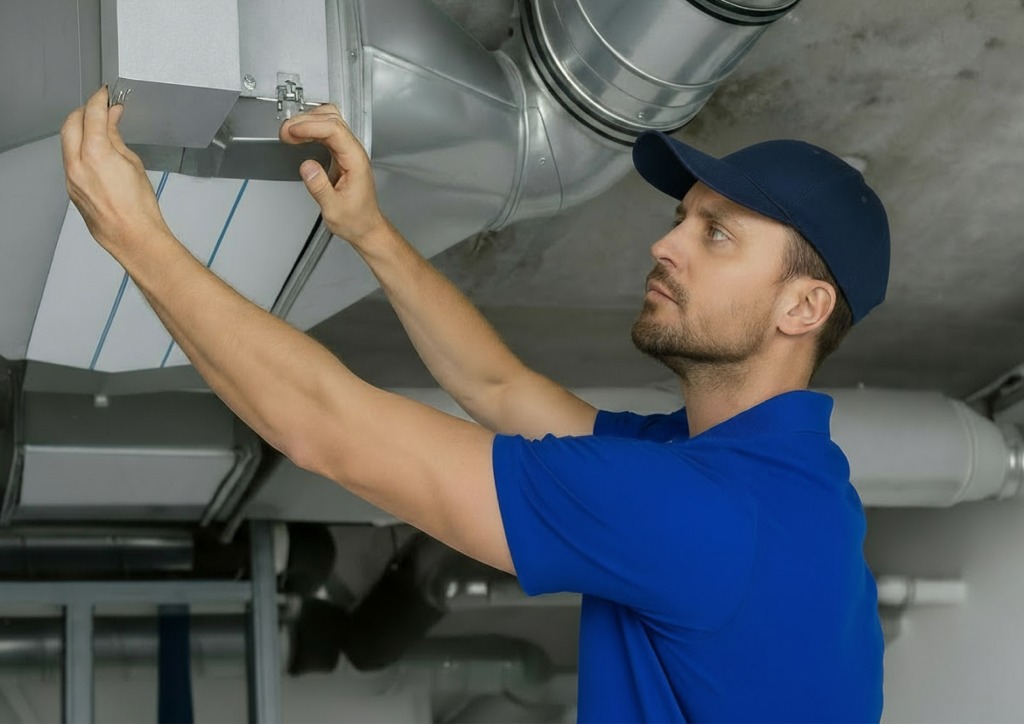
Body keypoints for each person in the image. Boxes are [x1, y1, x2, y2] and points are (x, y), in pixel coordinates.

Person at [61, 86, 886, 723]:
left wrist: (138, 238)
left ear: (803, 309)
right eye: (683, 218)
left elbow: (331, 432)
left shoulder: (703, 513)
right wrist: (372, 232)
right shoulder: (765, 472)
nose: (664, 243)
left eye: (717, 234)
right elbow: (502, 389)